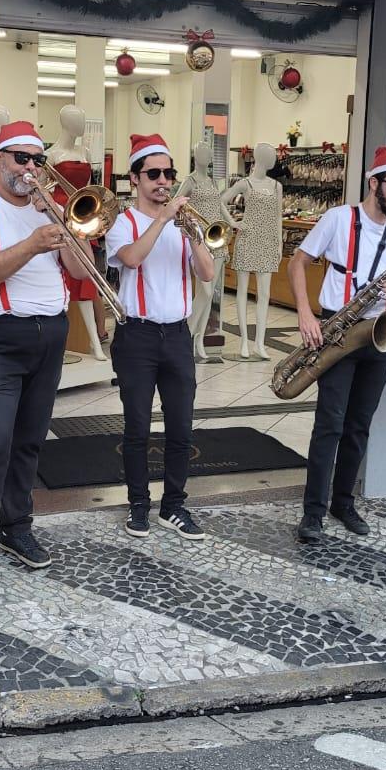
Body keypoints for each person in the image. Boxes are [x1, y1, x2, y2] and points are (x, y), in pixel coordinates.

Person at [0, 120, 94, 589]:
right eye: (21, 158)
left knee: (30, 439)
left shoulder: (48, 210)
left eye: (37, 160)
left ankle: (17, 528)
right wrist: (31, 244)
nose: (30, 168)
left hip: (49, 336)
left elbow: (81, 268)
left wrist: (67, 225)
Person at [287, 146, 386, 541]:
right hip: (338, 329)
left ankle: (343, 502)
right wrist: (305, 314)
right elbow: (298, 262)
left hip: (378, 334)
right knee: (329, 424)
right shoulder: (338, 219)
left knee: (359, 425)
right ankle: (312, 511)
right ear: (374, 182)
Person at [106, 134, 217, 540]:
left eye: (168, 172)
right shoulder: (122, 222)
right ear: (134, 178)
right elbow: (131, 259)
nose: (163, 180)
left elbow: (206, 273)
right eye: (153, 173)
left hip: (176, 336)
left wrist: (193, 235)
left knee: (181, 427)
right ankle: (138, 504)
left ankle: (174, 506)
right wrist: (165, 218)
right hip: (136, 336)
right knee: (136, 427)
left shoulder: (181, 224)